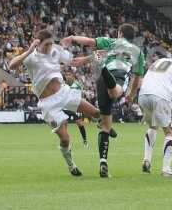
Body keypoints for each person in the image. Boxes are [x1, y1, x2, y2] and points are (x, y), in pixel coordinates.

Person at [9, 28, 100, 177]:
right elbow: (12, 65)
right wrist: (29, 49)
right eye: (47, 44)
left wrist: (92, 57)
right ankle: (71, 165)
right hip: (48, 104)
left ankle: (104, 129)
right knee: (65, 139)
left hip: (64, 93)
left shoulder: (55, 51)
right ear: (38, 44)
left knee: (96, 113)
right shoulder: (31, 57)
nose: (50, 47)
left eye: (51, 44)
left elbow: (74, 62)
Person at [61, 23, 145, 178]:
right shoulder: (138, 52)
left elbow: (89, 42)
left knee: (105, 124)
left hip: (101, 80)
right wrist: (131, 96)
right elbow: (137, 77)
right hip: (118, 75)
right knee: (115, 93)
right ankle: (107, 75)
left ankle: (103, 162)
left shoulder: (111, 44)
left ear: (119, 33)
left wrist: (72, 38)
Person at [138, 52, 172, 177]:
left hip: (143, 95)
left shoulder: (157, 62)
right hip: (160, 96)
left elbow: (143, 80)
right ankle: (166, 169)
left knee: (152, 127)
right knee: (170, 132)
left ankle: (146, 160)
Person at [63, 70, 89, 148]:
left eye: (69, 75)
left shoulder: (77, 84)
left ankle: (85, 140)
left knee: (80, 124)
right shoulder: (63, 85)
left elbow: (80, 95)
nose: (67, 76)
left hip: (74, 107)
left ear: (72, 76)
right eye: (66, 75)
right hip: (65, 107)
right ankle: (66, 142)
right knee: (64, 125)